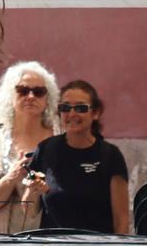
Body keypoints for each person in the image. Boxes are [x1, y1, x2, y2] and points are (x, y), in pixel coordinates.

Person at [31, 80, 131, 234]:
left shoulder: (110, 155)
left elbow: (122, 220)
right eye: (65, 108)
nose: (72, 114)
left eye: (80, 108)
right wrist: (32, 190)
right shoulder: (45, 149)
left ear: (95, 113)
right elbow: (30, 211)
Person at [0, 61, 57, 234]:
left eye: (39, 92)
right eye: (22, 90)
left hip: (49, 238)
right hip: (0, 240)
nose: (30, 96)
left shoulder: (58, 140)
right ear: (10, 95)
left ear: (47, 98)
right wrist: (12, 177)